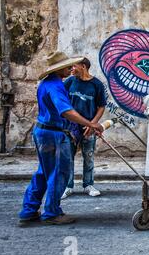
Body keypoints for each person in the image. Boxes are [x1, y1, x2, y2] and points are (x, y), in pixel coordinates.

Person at [18, 52, 104, 226]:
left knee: (43, 171)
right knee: (59, 173)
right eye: (68, 66)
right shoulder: (57, 86)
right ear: (59, 69)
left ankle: (29, 210)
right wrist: (91, 124)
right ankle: (51, 212)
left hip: (43, 131)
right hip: (54, 134)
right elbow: (66, 112)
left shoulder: (47, 83)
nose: (70, 69)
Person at [61, 57, 107, 199]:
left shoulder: (97, 85)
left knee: (88, 156)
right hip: (70, 128)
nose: (71, 70)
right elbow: (62, 102)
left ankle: (88, 184)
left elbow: (101, 107)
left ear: (83, 66)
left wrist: (92, 124)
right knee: (68, 157)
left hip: (89, 127)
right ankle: (67, 187)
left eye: (73, 67)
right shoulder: (69, 82)